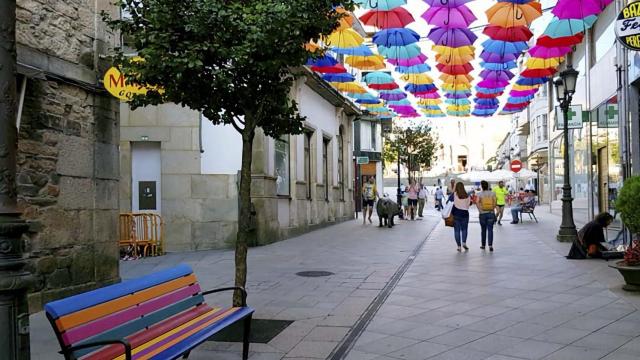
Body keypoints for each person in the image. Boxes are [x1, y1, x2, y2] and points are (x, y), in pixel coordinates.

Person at [449, 182, 471, 252]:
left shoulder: (454, 194)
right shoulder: (467, 195)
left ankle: (459, 246)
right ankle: (464, 242)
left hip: (456, 214)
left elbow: (449, 200)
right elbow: (468, 206)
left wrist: (453, 190)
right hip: (465, 214)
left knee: (457, 231)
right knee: (464, 229)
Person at [476, 180, 497, 251]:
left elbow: (477, 202)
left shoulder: (479, 194)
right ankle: (490, 245)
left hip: (482, 214)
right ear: (487, 186)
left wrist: (480, 210)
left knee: (483, 230)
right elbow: (495, 202)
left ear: (482, 186)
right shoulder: (493, 193)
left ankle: (483, 245)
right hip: (490, 213)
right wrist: (492, 209)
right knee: (490, 230)